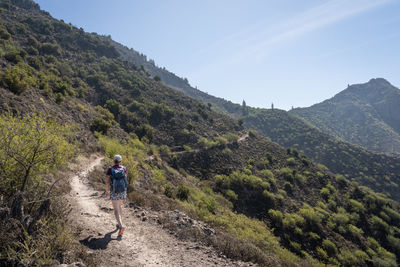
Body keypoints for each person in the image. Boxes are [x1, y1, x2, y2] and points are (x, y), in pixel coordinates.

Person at [106, 154, 128, 237]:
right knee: (119, 206)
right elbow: (125, 180)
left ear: (113, 160)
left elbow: (108, 181)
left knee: (116, 210)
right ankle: (119, 224)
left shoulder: (110, 169)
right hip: (122, 190)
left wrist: (107, 190)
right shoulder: (124, 168)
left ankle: (121, 225)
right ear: (120, 161)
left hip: (114, 191)